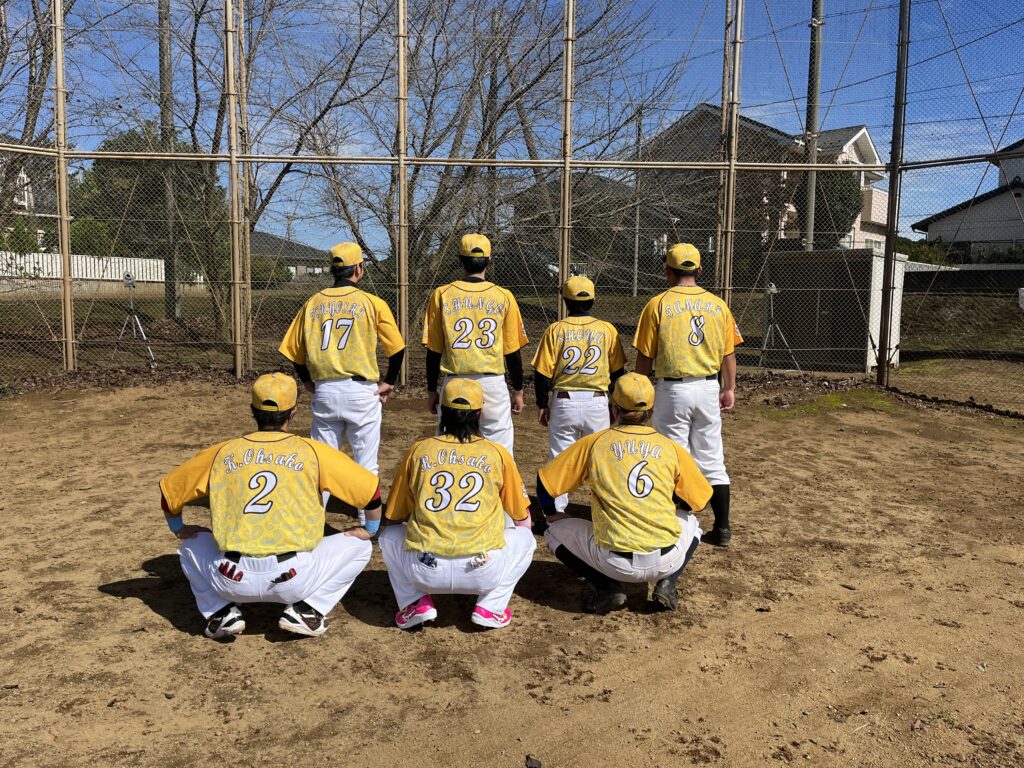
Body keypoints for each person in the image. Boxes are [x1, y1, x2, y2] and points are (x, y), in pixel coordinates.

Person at [159, 373, 382, 639]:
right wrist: (370, 529)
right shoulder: (313, 451)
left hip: (230, 578)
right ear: (294, 411)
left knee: (190, 545)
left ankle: (220, 612)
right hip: (294, 577)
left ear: (252, 410)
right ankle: (307, 611)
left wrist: (179, 528)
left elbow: (169, 494)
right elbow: (371, 492)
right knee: (361, 546)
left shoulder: (222, 451)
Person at [536, 373, 712, 613]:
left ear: (614, 408)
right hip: (666, 560)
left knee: (553, 531)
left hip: (613, 562)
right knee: (692, 523)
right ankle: (668, 583)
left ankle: (606, 588)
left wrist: (551, 513)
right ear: (651, 411)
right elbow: (699, 501)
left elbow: (545, 484)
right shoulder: (670, 447)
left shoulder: (594, 443)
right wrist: (672, 502)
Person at [379, 378, 536, 630]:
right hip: (483, 568)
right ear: (480, 413)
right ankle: (491, 607)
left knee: (389, 536)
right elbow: (521, 518)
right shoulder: (497, 453)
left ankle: (414, 603)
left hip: (425, 568)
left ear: (443, 411)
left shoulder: (419, 450)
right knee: (525, 538)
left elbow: (394, 516)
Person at [278, 241, 405, 523]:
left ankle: (311, 523)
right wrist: (390, 381)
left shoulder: (313, 302)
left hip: (325, 390)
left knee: (322, 463)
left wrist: (308, 382)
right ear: (358, 269)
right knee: (365, 463)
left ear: (333, 270)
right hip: (361, 391)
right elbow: (397, 349)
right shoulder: (372, 302)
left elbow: (294, 352)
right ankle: (368, 523)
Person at [632, 243, 742, 547]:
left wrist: (640, 390)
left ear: (668, 271)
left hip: (673, 389)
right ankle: (722, 528)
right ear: (699, 270)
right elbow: (729, 354)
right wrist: (729, 388)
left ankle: (675, 523)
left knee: (671, 456)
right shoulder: (718, 305)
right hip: (708, 387)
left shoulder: (658, 304)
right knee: (712, 459)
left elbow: (645, 356)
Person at [421, 233, 528, 454]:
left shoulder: (442, 294)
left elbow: (433, 351)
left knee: (450, 445)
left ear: (460, 260)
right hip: (492, 383)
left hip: (455, 381)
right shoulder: (503, 295)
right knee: (499, 448)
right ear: (489, 260)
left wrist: (432, 390)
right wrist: (518, 390)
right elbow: (512, 352)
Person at [532, 275, 626, 514]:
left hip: (565, 402)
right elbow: (618, 373)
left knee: (560, 460)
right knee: (600, 459)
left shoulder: (556, 329)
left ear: (565, 301)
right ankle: (604, 510)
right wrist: (615, 405)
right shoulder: (607, 329)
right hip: (597, 401)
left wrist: (542, 404)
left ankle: (556, 512)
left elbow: (542, 373)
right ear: (593, 300)